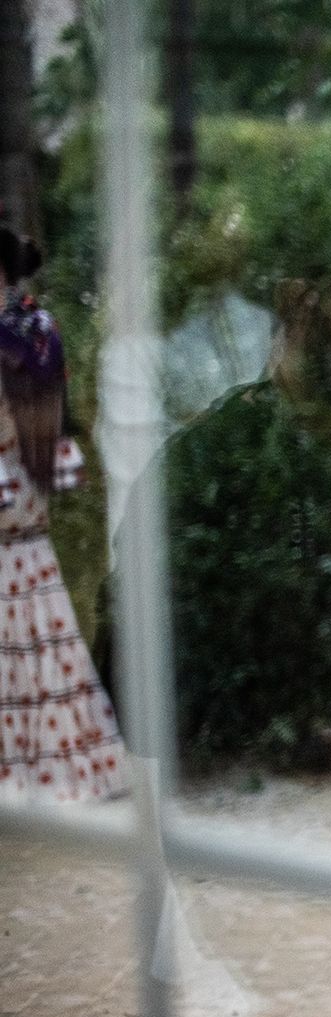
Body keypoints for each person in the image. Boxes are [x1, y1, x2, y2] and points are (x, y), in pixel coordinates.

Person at [0, 225, 127, 803]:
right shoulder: (36, 330)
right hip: (28, 513)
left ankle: (34, 771)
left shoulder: (23, 332)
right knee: (39, 642)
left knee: (29, 645)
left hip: (16, 508)